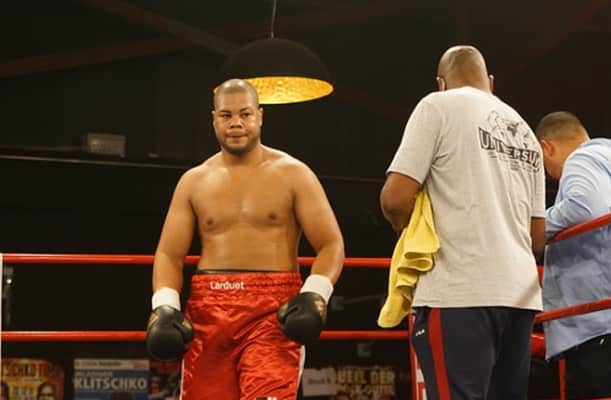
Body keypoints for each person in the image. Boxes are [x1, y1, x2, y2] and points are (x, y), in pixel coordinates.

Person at [145, 78, 345, 400]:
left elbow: (331, 243)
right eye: (226, 115)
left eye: (245, 114)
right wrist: (165, 306)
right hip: (209, 308)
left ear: (260, 116)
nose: (236, 123)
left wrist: (315, 294)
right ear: (214, 119)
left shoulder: (294, 174)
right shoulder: (193, 181)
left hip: (272, 311)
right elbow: (169, 254)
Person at [379, 45, 546, 399]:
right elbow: (537, 237)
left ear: (441, 82)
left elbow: (394, 199)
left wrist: (411, 229)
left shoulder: (437, 105)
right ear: (490, 82)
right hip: (520, 297)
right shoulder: (525, 131)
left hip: (460, 290)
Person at [535, 111, 611, 398]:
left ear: (547, 147)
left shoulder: (581, 158)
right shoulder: (605, 157)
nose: (548, 172)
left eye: (544, 164)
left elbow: (585, 206)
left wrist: (535, 226)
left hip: (597, 321)